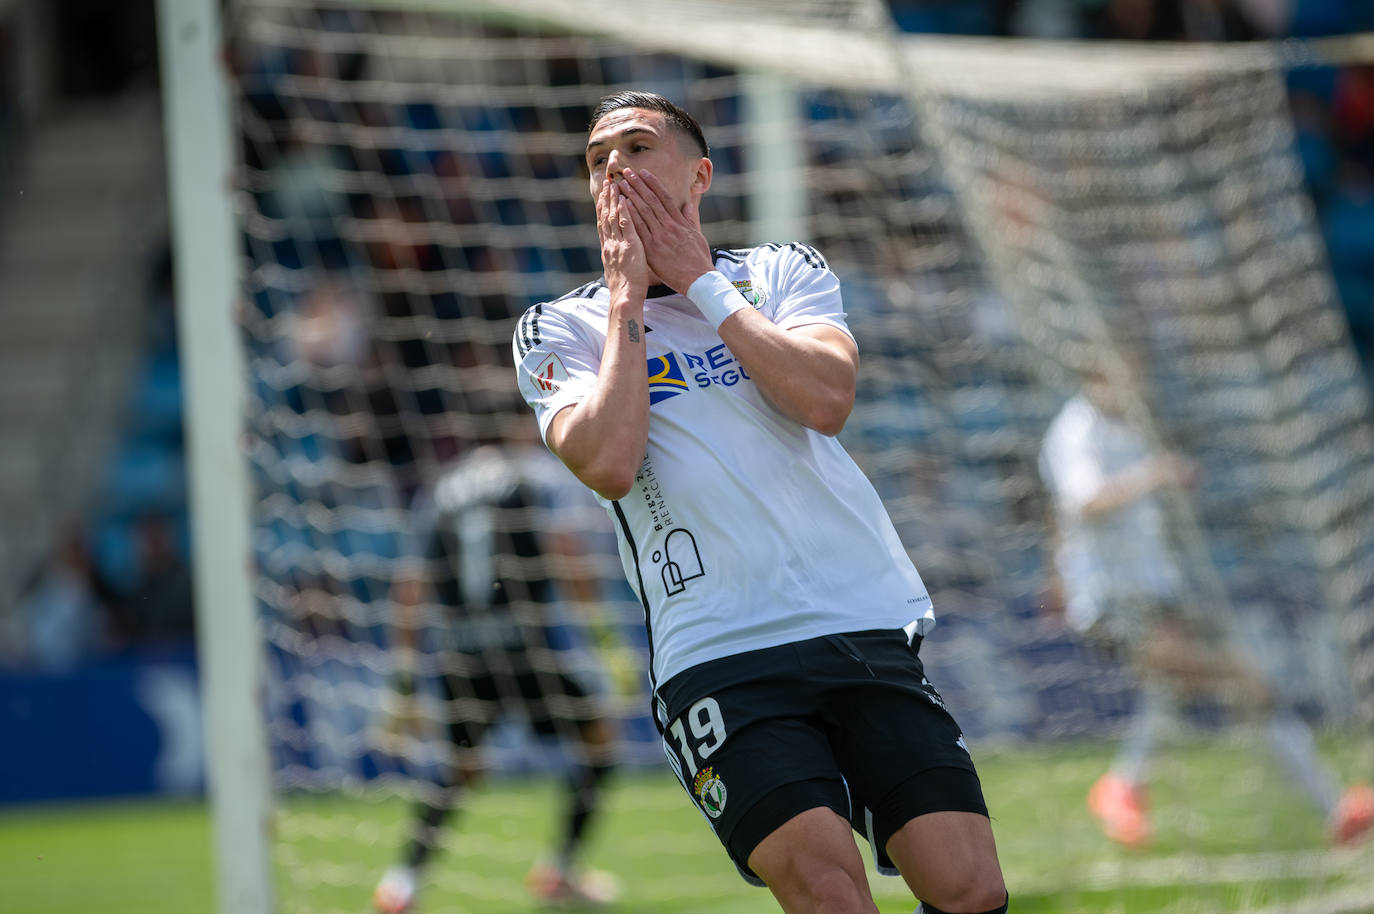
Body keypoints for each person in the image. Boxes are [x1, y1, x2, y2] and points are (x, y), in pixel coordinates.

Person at [512, 91, 1008, 914]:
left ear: (698, 174)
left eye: (637, 147)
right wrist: (629, 301)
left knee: (969, 886)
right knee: (828, 893)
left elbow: (826, 399)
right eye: (598, 159)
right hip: (719, 654)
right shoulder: (559, 326)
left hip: (856, 620)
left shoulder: (780, 272)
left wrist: (700, 283)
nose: (615, 169)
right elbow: (606, 462)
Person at [1038, 364, 1374, 849]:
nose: (1140, 386)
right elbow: (1083, 501)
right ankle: (1333, 807)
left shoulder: (1127, 427)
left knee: (1178, 690)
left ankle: (1125, 786)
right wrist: (1156, 474)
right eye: (1129, 377)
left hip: (1155, 591)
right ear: (1099, 379)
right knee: (1243, 680)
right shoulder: (1076, 430)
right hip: (1113, 600)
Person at [372, 436, 621, 912]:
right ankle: (561, 869)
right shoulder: (535, 473)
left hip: (461, 654)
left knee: (459, 772)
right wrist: (606, 643)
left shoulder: (441, 489)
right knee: (599, 740)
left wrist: (402, 683)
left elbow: (410, 586)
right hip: (526, 648)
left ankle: (400, 883)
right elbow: (565, 549)